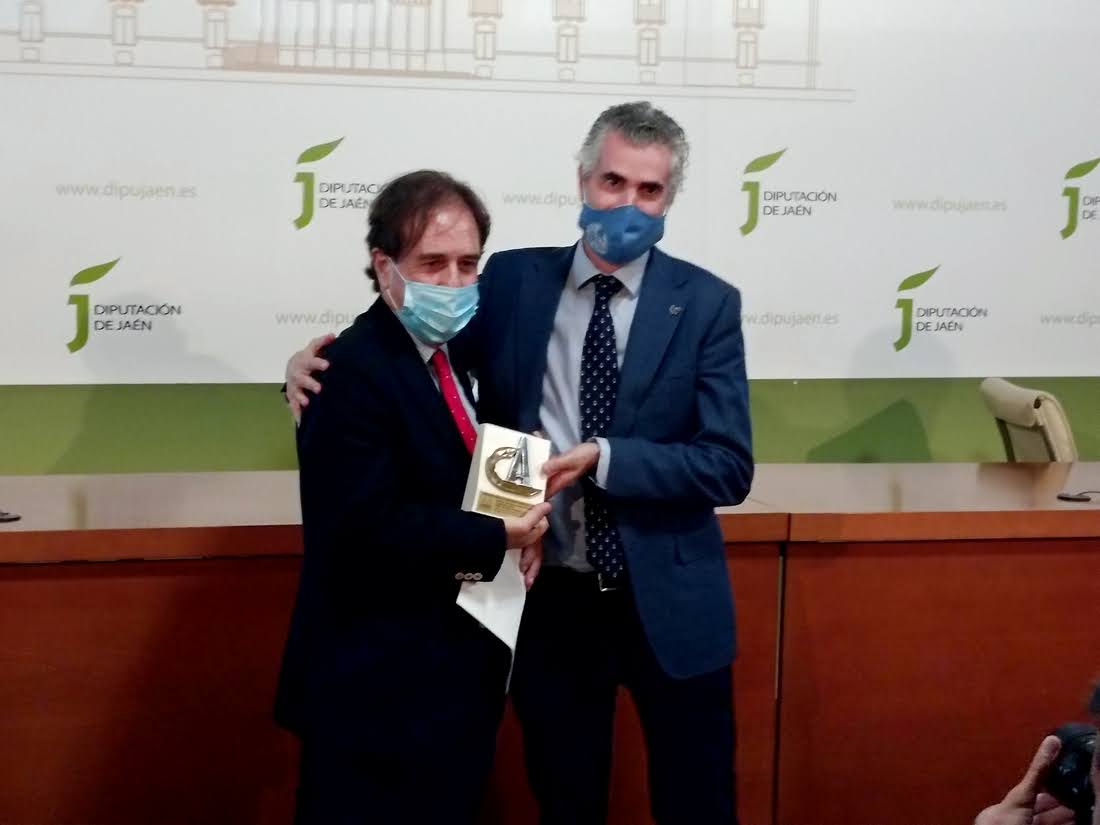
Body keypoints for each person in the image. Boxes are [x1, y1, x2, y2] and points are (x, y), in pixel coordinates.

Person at [286, 101, 753, 824]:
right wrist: (309, 366)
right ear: (583, 180)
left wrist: (604, 458)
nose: (628, 204)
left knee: (700, 804)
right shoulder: (508, 282)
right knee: (565, 799)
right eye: (614, 181)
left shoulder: (708, 303)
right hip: (549, 597)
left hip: (669, 597)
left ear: (669, 199)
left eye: (650, 190)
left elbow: (727, 464)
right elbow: (412, 358)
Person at [274, 169, 550, 825]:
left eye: (467, 264)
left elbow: (456, 463)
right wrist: (497, 537)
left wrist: (524, 518)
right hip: (375, 696)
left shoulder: (445, 353)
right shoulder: (351, 370)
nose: (453, 282)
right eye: (432, 263)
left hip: (445, 684)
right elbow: (365, 530)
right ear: (385, 267)